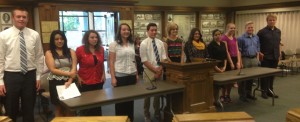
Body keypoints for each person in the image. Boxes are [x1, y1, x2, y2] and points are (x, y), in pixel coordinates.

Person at [0, 7, 44, 122]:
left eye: (24, 17)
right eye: (18, 16)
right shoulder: (3, 35)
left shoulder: (34, 35)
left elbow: (39, 57)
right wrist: (0, 81)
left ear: (27, 19)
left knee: (29, 109)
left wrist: (38, 76)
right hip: (11, 76)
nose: (21, 19)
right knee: (11, 109)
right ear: (13, 18)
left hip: (30, 75)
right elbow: (0, 60)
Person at [109, 23, 138, 121]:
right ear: (119, 31)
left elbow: (134, 59)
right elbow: (111, 62)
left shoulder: (131, 43)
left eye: (128, 30)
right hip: (120, 76)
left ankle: (130, 119)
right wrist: (113, 78)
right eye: (124, 29)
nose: (126, 31)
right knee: (120, 102)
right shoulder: (114, 44)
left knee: (130, 101)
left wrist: (137, 74)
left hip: (132, 75)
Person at [45, 30, 77, 116]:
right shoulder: (49, 53)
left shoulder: (71, 51)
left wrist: (70, 80)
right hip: (56, 82)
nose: (59, 41)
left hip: (70, 81)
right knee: (59, 107)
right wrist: (69, 74)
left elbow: (74, 68)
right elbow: (53, 69)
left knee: (71, 107)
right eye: (56, 39)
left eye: (62, 38)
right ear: (53, 40)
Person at [140, 23, 167, 122]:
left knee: (157, 95)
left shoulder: (160, 43)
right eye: (152, 30)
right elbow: (144, 60)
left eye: (155, 30)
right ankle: (146, 114)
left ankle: (157, 113)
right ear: (147, 31)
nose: (154, 32)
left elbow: (164, 58)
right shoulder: (143, 43)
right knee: (147, 95)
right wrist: (155, 70)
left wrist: (160, 69)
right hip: (149, 70)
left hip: (160, 69)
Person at [76, 30, 106, 115]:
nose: (95, 39)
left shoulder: (101, 49)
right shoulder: (80, 49)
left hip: (98, 80)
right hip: (85, 81)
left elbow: (101, 64)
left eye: (96, 37)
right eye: (92, 37)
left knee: (97, 104)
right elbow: (74, 65)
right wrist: (78, 77)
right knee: (86, 106)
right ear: (87, 39)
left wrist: (103, 74)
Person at [257, 14, 281, 99]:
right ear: (267, 21)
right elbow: (257, 44)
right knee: (265, 75)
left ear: (275, 21)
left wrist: (279, 54)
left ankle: (270, 91)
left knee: (272, 75)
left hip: (275, 57)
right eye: (270, 20)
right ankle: (264, 91)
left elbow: (278, 44)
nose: (272, 21)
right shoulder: (262, 32)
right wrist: (259, 53)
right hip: (265, 57)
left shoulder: (278, 31)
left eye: (273, 20)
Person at [237, 21, 260, 102]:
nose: (250, 29)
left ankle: (248, 93)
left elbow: (258, 49)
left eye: (252, 27)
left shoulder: (256, 37)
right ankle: (242, 95)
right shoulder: (241, 38)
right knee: (243, 78)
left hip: (254, 59)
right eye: (249, 27)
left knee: (251, 78)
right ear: (245, 28)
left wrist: (257, 59)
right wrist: (240, 62)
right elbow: (239, 51)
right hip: (245, 59)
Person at [221, 23, 241, 103]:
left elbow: (237, 50)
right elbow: (226, 51)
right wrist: (231, 63)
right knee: (226, 80)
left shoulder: (234, 38)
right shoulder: (224, 38)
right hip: (228, 60)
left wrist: (239, 61)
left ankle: (228, 95)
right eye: (231, 28)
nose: (233, 30)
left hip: (235, 58)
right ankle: (222, 95)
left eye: (234, 28)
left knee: (231, 80)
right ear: (227, 28)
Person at [207, 29, 227, 106]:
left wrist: (224, 66)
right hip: (214, 68)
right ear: (213, 36)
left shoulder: (223, 44)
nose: (218, 36)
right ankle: (212, 100)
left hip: (222, 67)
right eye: (216, 35)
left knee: (219, 86)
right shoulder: (211, 45)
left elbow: (225, 56)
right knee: (214, 85)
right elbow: (211, 59)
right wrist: (217, 69)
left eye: (219, 34)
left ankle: (217, 99)